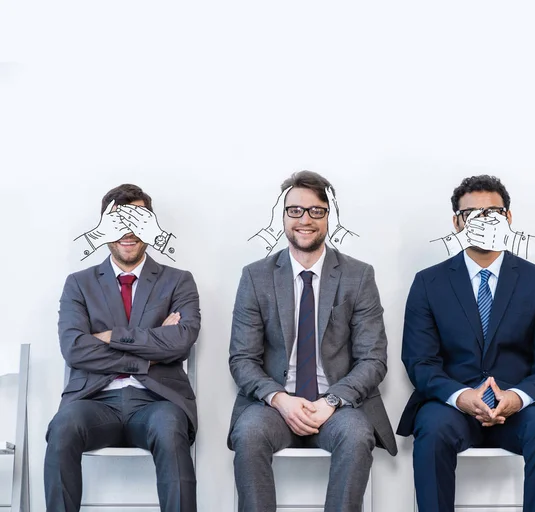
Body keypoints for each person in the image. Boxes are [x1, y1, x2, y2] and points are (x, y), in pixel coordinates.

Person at [398, 175, 535, 512]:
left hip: (522, 406)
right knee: (431, 431)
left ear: (507, 218)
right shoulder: (428, 283)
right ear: (456, 223)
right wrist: (461, 397)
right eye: (471, 215)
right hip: (453, 405)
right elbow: (420, 361)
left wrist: (515, 398)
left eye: (492, 213)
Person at [228, 170, 397, 512]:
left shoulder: (358, 275)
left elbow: (373, 359)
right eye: (295, 210)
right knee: (248, 435)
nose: (305, 219)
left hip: (336, 405)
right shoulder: (255, 276)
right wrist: (280, 399)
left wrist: (332, 401)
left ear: (328, 216)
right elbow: (242, 359)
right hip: (274, 406)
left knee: (355, 436)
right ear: (284, 216)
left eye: (316, 210)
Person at [44, 184, 200, 512]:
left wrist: (108, 336)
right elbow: (74, 349)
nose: (128, 230)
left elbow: (182, 340)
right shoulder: (79, 283)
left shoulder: (179, 281)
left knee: (172, 431)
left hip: (158, 403)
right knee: (62, 428)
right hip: (94, 402)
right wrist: (151, 350)